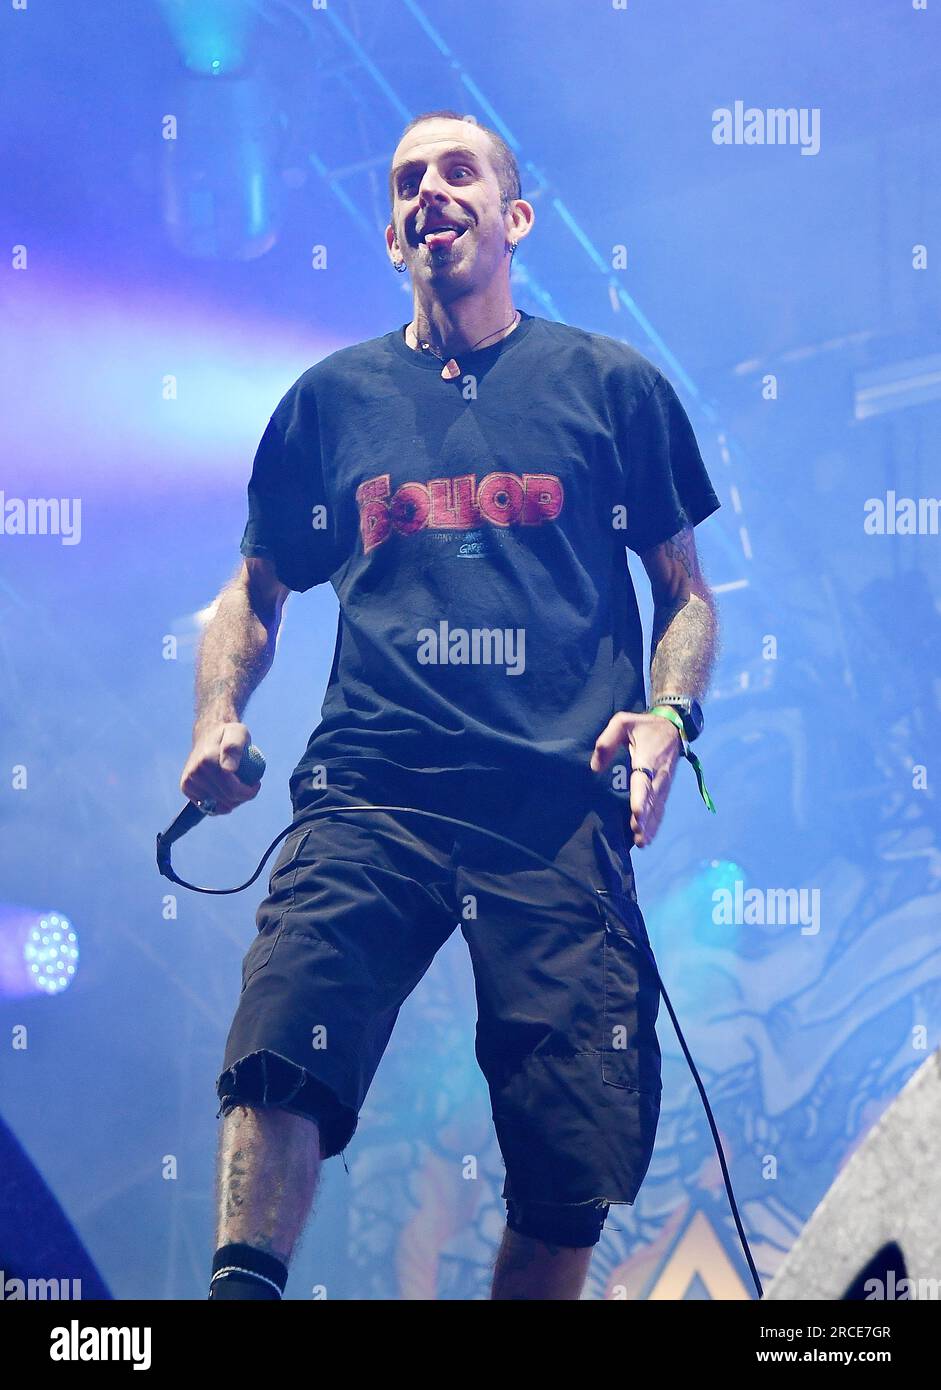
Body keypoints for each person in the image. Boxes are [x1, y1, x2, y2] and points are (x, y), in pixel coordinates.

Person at [181, 109, 721, 1302]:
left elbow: (685, 594)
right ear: (389, 236)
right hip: (372, 791)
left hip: (554, 805)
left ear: (514, 217)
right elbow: (253, 591)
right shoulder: (331, 403)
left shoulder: (608, 386)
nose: (433, 189)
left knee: (567, 1164)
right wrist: (218, 713)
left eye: (458, 170)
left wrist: (670, 718)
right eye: (408, 179)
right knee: (284, 1035)